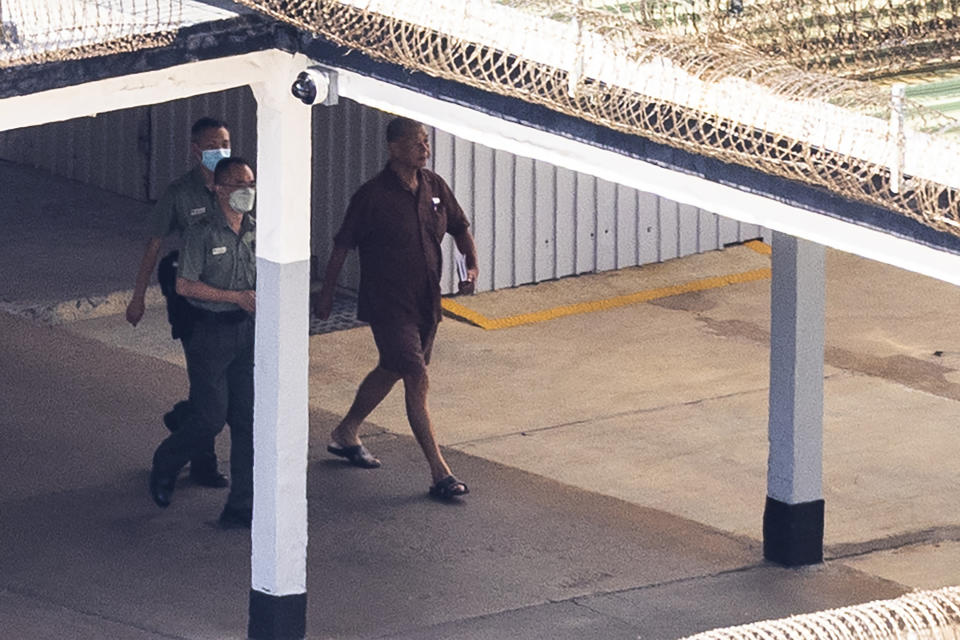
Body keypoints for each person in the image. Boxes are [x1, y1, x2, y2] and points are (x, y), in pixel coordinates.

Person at [312, 117, 479, 501]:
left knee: (392, 368)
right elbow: (342, 246)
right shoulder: (372, 196)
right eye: (417, 142)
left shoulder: (434, 186)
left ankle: (345, 432)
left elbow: (459, 227)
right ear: (394, 148)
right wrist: (327, 294)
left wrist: (470, 264)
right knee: (415, 374)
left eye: (426, 141)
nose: (425, 148)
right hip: (388, 304)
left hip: (425, 301)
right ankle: (440, 472)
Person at [149, 157, 257, 528]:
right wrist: (236, 297)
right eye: (238, 185)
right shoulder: (202, 232)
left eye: (251, 184)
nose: (247, 192)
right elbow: (185, 285)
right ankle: (166, 463)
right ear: (218, 190)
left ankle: (242, 505)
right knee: (210, 417)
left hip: (246, 333)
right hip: (210, 332)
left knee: (246, 421)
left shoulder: (258, 232)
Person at [127, 117, 232, 489]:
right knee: (207, 381)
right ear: (196, 150)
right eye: (213, 144)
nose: (221, 149)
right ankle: (201, 460)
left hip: (232, 302)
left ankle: (186, 420)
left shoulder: (239, 185)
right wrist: (138, 297)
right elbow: (154, 245)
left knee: (217, 390)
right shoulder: (180, 194)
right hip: (193, 301)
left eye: (225, 141)